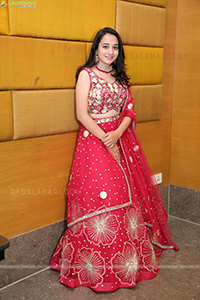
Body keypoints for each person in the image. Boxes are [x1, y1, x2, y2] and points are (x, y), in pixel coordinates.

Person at [50, 27, 178, 292]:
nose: (110, 52)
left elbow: (130, 110)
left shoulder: (121, 78)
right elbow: (81, 114)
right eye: (105, 46)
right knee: (98, 195)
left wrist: (117, 133)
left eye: (115, 47)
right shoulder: (86, 75)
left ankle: (124, 263)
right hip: (92, 141)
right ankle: (92, 266)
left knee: (122, 194)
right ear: (96, 48)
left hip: (119, 140)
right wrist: (105, 137)